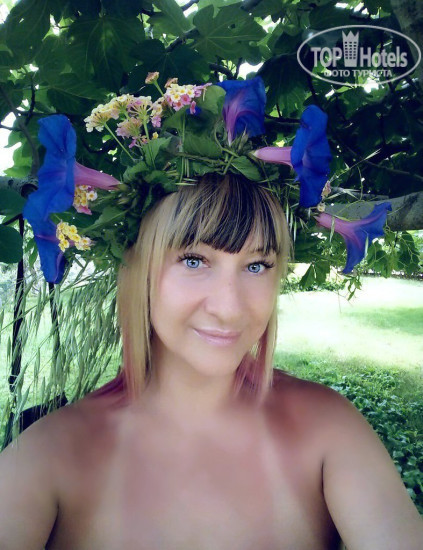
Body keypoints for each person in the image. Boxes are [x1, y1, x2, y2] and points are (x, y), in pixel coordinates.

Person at [0, 172, 422, 550]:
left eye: (256, 265)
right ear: (136, 268)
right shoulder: (45, 457)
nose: (229, 308)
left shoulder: (328, 427)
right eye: (194, 260)